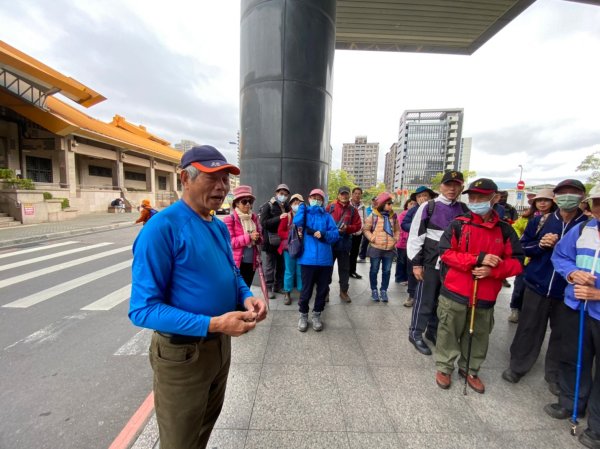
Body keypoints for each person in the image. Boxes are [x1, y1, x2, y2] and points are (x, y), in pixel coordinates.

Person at [129, 145, 267, 449]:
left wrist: (246, 297)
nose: (221, 187)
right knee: (180, 439)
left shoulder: (217, 226)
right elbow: (142, 309)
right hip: (182, 355)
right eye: (211, 178)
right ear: (185, 179)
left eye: (225, 179)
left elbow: (231, 274)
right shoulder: (161, 229)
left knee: (205, 423)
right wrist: (215, 323)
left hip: (218, 347)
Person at [435, 178, 524, 393]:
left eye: (482, 197)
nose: (476, 201)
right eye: (472, 197)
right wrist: (478, 258)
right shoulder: (458, 224)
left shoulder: (505, 230)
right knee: (448, 330)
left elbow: (517, 261)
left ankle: (470, 368)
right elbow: (446, 253)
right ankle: (444, 367)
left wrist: (494, 271)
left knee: (479, 333)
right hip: (455, 291)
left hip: (485, 294)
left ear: (494, 198)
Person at [502, 179, 588, 396]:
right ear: (556, 198)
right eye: (562, 193)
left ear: (583, 198)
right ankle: (518, 366)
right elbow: (522, 248)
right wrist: (540, 245)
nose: (567, 197)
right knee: (528, 327)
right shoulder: (542, 221)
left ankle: (555, 375)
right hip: (537, 284)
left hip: (568, 291)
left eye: (574, 193)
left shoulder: (587, 226)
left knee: (562, 335)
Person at [544, 185, 600, 448]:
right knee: (573, 358)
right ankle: (570, 403)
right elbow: (561, 255)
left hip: (597, 309)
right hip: (576, 307)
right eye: (598, 202)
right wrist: (572, 274)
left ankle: (597, 427)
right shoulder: (583, 229)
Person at [407, 171, 467, 356]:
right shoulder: (428, 206)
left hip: (453, 265)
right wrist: (416, 264)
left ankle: (433, 332)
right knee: (425, 299)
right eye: (448, 184)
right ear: (441, 186)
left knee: (442, 302)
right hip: (430, 262)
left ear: (461, 188)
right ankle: (416, 332)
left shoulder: (464, 209)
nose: (452, 188)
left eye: (456, 185)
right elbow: (416, 236)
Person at [508, 189, 557, 323]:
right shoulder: (528, 217)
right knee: (519, 287)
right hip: (526, 258)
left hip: (545, 262)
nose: (542, 203)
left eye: (546, 200)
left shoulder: (558, 219)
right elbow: (516, 230)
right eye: (539, 200)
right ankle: (515, 309)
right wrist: (519, 240)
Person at [294, 188, 339, 332]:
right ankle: (303, 315)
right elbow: (297, 222)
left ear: (323, 200)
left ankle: (317, 314)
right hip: (307, 259)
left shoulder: (327, 217)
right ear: (309, 198)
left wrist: (325, 234)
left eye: (319, 198)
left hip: (325, 260)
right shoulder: (305, 213)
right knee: (305, 290)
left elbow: (335, 235)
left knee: (322, 290)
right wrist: (302, 208)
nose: (316, 200)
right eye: (313, 197)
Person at [401, 186, 437, 307]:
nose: (422, 198)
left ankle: (427, 297)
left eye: (424, 195)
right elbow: (404, 224)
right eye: (419, 196)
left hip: (431, 246)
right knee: (412, 271)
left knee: (429, 272)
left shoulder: (436, 208)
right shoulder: (413, 210)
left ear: (430, 196)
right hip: (415, 246)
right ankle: (411, 295)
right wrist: (418, 226)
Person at [327, 186, 362, 303]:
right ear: (338, 195)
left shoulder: (353, 210)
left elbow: (358, 226)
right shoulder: (330, 207)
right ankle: (325, 291)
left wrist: (348, 228)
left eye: (346, 194)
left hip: (344, 244)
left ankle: (344, 291)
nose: (344, 196)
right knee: (327, 268)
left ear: (349, 195)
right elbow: (323, 223)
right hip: (330, 244)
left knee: (345, 269)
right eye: (342, 194)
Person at [223, 185, 263, 289]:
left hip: (252, 262)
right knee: (236, 291)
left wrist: (258, 237)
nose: (248, 204)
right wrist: (249, 237)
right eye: (244, 201)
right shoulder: (230, 219)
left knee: (247, 288)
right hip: (237, 263)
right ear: (236, 203)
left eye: (250, 201)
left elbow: (261, 238)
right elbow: (230, 242)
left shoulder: (254, 217)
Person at [363, 192, 400, 302]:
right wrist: (373, 238)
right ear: (382, 204)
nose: (390, 205)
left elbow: (397, 230)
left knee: (387, 271)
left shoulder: (393, 216)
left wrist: (395, 239)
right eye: (388, 203)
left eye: (391, 203)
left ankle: (384, 290)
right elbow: (365, 229)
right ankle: (374, 290)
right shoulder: (373, 215)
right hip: (375, 248)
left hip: (389, 249)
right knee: (374, 270)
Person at [259, 184, 291, 298]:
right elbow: (263, 223)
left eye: (286, 194)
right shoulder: (269, 205)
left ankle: (278, 286)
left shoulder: (287, 206)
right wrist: (279, 218)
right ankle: (269, 287)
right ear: (276, 193)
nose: (283, 196)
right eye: (281, 193)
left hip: (283, 241)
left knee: (281, 264)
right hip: (271, 240)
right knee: (270, 265)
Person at [278, 193, 304, 305]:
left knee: (300, 271)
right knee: (289, 271)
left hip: (302, 248)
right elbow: (280, 232)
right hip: (289, 249)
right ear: (291, 204)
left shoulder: (305, 217)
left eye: (299, 203)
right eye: (294, 203)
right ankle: (287, 292)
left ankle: (301, 291)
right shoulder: (287, 216)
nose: (296, 205)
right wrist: (292, 234)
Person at [395, 199, 416, 286]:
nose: (413, 205)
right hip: (403, 242)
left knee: (408, 262)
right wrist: (407, 237)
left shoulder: (415, 214)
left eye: (414, 204)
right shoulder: (404, 214)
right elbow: (400, 228)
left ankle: (406, 278)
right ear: (407, 205)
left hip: (410, 242)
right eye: (411, 203)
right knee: (401, 261)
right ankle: (399, 278)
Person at [349, 187, 366, 279]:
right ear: (352, 194)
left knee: (355, 253)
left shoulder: (363, 207)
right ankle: (345, 271)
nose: (357, 195)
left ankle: (352, 271)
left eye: (359, 193)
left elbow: (364, 219)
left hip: (358, 233)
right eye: (355, 193)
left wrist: (363, 229)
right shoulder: (348, 205)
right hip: (348, 233)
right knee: (346, 254)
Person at [358, 197, 377, 262]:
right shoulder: (367, 209)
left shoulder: (380, 209)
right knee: (364, 243)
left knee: (376, 244)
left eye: (376, 201)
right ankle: (362, 257)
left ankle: (375, 258)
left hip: (376, 230)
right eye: (373, 200)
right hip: (368, 229)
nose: (375, 202)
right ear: (372, 201)